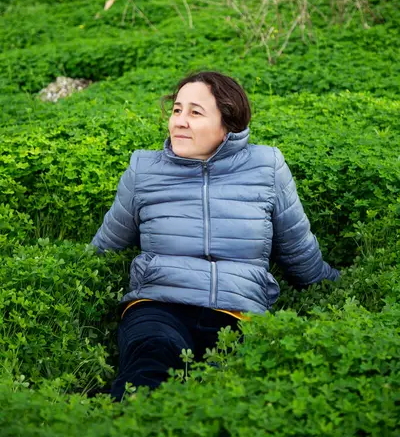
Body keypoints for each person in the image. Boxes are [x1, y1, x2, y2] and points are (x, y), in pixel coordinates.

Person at [90, 71, 339, 401]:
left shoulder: (267, 166)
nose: (180, 121)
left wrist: (334, 286)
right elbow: (106, 245)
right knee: (151, 362)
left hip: (236, 312)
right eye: (177, 110)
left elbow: (297, 245)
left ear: (228, 124)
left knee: (237, 393)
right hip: (158, 305)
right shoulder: (143, 169)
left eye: (195, 112)